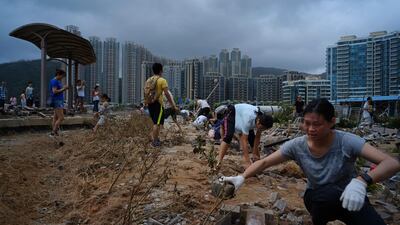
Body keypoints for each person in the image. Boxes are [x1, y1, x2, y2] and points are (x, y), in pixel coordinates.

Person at [221, 98, 400, 225]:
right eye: (307, 123)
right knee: (329, 194)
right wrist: (242, 177)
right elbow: (265, 163)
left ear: (332, 122)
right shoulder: (298, 145)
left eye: (317, 124)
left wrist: (362, 181)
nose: (311, 129)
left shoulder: (346, 141)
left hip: (351, 195)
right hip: (318, 198)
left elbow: (391, 163)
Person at [216, 103, 274, 169]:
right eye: (261, 128)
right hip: (233, 111)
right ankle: (219, 162)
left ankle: (257, 163)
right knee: (228, 136)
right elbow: (244, 140)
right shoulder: (248, 120)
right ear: (258, 122)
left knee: (252, 141)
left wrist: (255, 152)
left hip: (245, 115)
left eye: (264, 129)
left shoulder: (262, 119)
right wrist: (247, 161)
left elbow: (257, 137)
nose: (261, 130)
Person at [146, 63, 178, 147]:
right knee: (157, 123)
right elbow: (167, 94)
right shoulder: (162, 80)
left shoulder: (149, 80)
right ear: (161, 70)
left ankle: (155, 138)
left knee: (154, 122)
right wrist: (172, 105)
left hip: (149, 103)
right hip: (158, 104)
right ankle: (155, 141)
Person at [49, 69, 68, 136]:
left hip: (58, 100)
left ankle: (55, 131)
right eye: (62, 76)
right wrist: (64, 89)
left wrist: (63, 88)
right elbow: (54, 91)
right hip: (57, 100)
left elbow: (58, 90)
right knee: (61, 118)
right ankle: (53, 132)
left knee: (55, 117)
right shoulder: (54, 81)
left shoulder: (57, 81)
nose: (62, 78)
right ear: (58, 75)